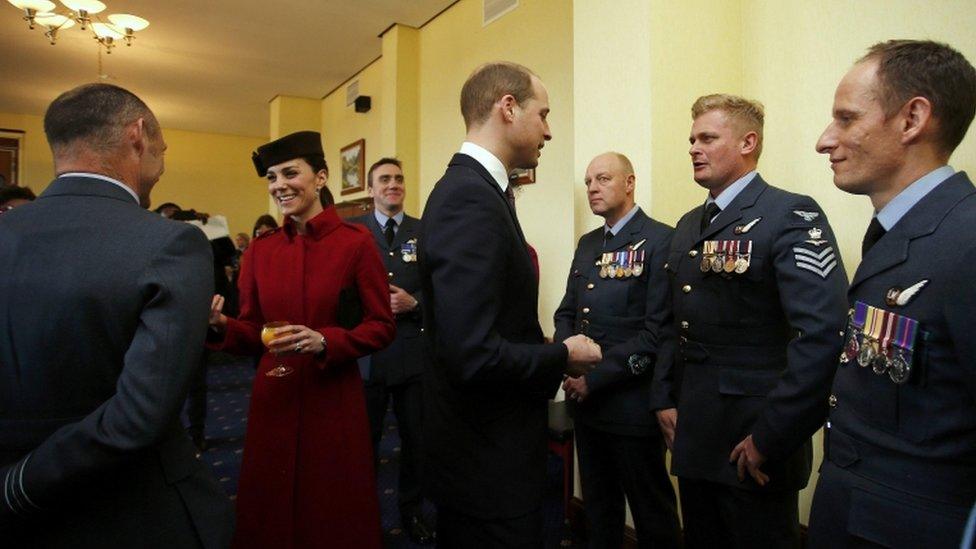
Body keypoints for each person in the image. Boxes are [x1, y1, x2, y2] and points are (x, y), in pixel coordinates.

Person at [0, 83, 233, 546]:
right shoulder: (169, 243)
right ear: (138, 136)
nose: (161, 168)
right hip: (132, 509)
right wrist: (18, 483)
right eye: (162, 152)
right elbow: (139, 415)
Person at [419, 61, 602, 547]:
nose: (548, 130)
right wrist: (563, 354)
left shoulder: (482, 191)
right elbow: (471, 353)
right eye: (542, 114)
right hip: (484, 455)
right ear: (507, 107)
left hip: (488, 447)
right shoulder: (469, 197)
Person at [655, 94, 849, 549]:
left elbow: (822, 337)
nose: (693, 149)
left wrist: (771, 437)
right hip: (695, 435)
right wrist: (662, 398)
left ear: (748, 142)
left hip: (753, 443)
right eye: (691, 140)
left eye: (707, 138)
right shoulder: (687, 225)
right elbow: (670, 322)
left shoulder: (790, 215)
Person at [807, 40, 976, 549]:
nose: (824, 139)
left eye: (846, 118)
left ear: (912, 119)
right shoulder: (902, 231)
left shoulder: (965, 240)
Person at [207, 130, 395, 548]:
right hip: (274, 398)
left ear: (321, 177)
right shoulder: (261, 250)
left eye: (290, 173)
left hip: (333, 399)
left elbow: (381, 325)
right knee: (270, 510)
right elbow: (253, 330)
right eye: (272, 177)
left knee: (331, 510)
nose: (279, 185)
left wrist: (327, 341)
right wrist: (221, 326)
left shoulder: (355, 244)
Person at [553, 152, 681, 548]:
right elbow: (567, 312)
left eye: (603, 179)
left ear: (629, 183)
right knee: (598, 508)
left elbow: (655, 333)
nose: (592, 187)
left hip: (631, 406)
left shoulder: (662, 239)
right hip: (586, 407)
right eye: (588, 181)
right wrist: (566, 361)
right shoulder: (588, 243)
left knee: (651, 512)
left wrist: (593, 377)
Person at [349, 157, 434, 544]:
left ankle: (411, 511)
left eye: (399, 178)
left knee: (416, 441)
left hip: (413, 354)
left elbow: (443, 287)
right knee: (363, 443)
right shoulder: (352, 232)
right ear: (371, 189)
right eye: (384, 179)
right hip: (367, 356)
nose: (393, 184)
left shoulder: (425, 231)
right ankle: (361, 515)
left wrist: (415, 303)